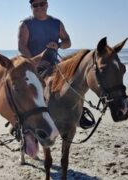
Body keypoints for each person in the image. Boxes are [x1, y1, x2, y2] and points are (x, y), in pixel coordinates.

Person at [18, 0, 95, 129]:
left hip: (55, 65)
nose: (39, 7)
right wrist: (36, 61)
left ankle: (79, 114)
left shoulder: (56, 23)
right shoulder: (25, 24)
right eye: (35, 5)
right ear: (31, 7)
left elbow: (68, 42)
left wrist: (58, 44)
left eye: (42, 4)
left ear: (47, 5)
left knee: (75, 82)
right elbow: (22, 47)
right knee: (24, 91)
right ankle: (19, 121)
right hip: (33, 65)